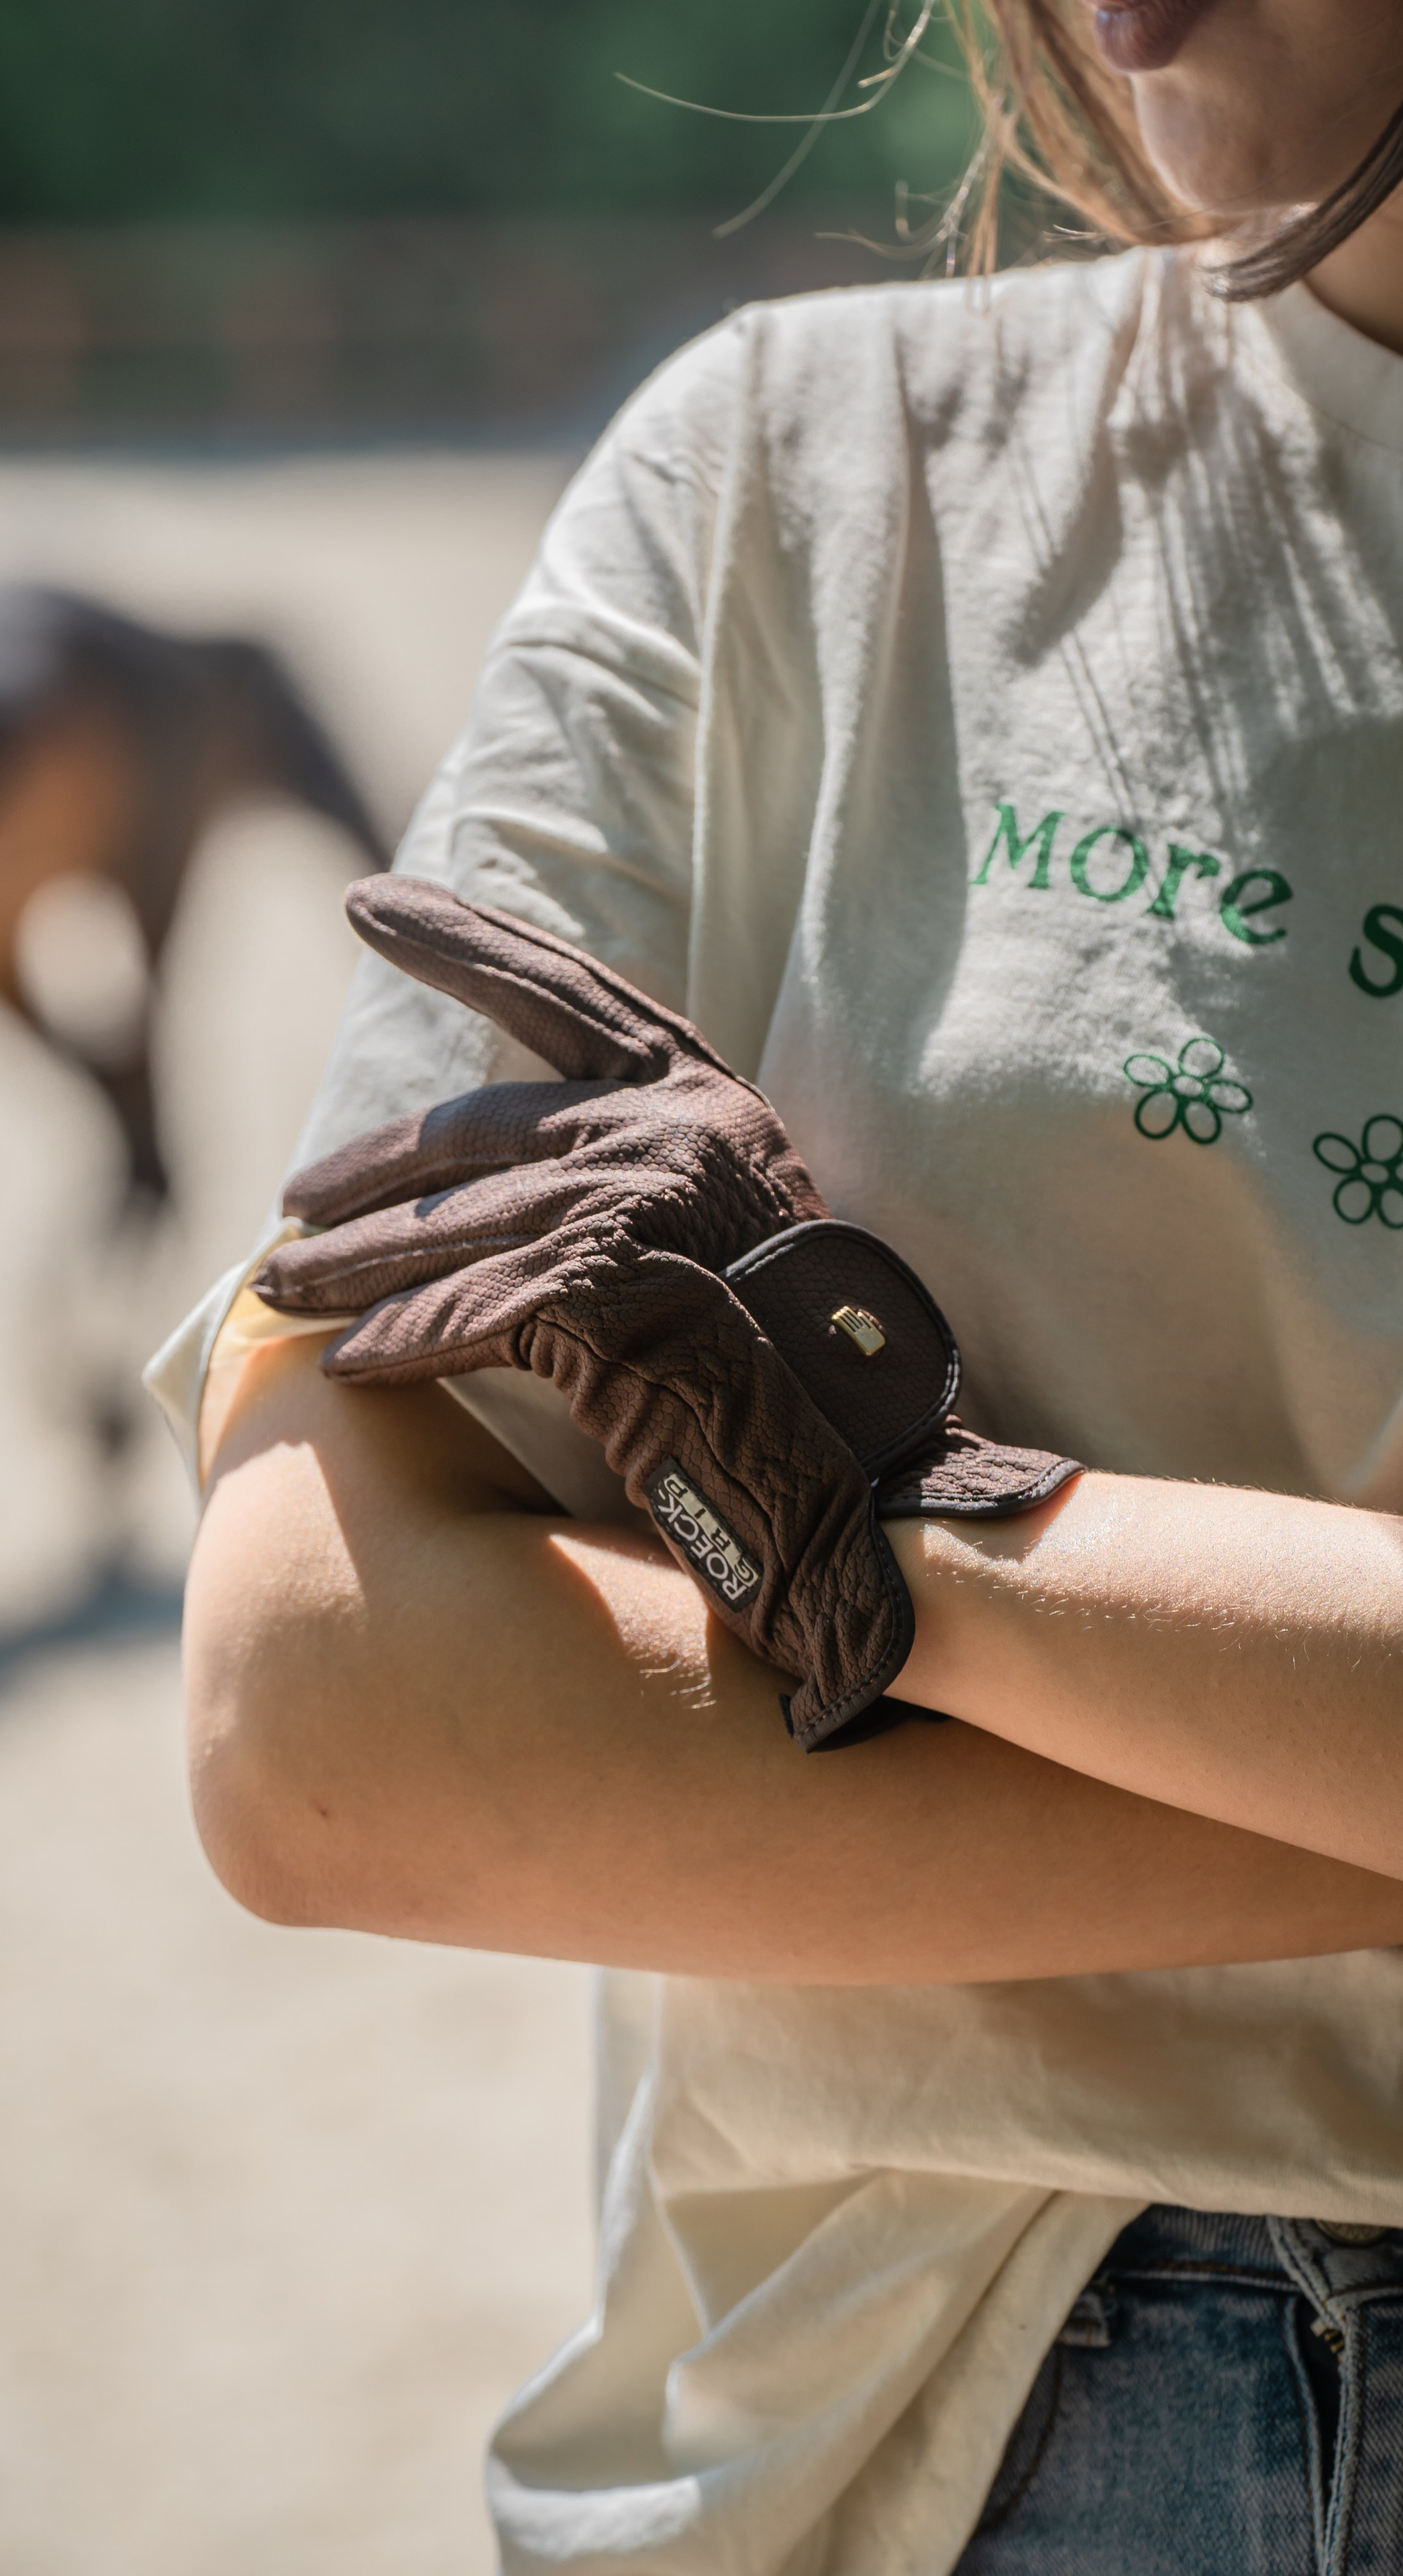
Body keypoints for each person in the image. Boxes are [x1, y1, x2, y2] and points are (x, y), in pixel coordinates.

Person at [148, 1, 1403, 2567]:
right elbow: (322, 1716)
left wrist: (891, 1515)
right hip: (933, 2399)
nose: (1114, 16)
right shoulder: (799, 477)